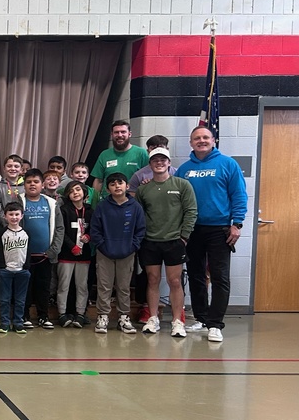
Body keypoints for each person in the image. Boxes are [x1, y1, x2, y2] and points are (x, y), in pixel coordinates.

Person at [176, 126, 247, 342]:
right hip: (192, 230)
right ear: (191, 143)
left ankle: (216, 324)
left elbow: (239, 195)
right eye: (197, 138)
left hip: (220, 230)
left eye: (205, 137)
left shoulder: (227, 164)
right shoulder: (184, 169)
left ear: (213, 140)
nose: (201, 141)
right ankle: (202, 318)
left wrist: (238, 224)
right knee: (196, 275)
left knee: (219, 277)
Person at [135, 147, 197, 338]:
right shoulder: (144, 188)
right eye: (155, 160)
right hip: (150, 242)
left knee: (175, 281)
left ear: (169, 163)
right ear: (150, 164)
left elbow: (191, 211)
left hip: (174, 242)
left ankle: (178, 321)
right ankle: (153, 318)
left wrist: (184, 236)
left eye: (163, 160)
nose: (159, 163)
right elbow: (139, 215)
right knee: (152, 280)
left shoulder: (182, 184)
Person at [90, 172, 146, 334]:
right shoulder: (102, 206)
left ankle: (124, 317)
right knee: (104, 286)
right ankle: (103, 316)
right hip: (105, 252)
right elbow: (95, 229)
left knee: (123, 287)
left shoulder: (135, 207)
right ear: (108, 188)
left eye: (120, 183)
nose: (117, 186)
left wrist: (132, 246)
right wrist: (102, 245)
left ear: (127, 186)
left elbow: (140, 230)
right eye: (113, 184)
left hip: (127, 253)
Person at [20, 169, 63, 329]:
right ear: (24, 185)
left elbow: (59, 228)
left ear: (42, 184)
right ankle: (24, 316)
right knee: (25, 287)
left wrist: (53, 250)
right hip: (24, 255)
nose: (32, 184)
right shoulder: (19, 201)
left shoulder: (51, 203)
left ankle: (43, 316)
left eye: (36, 182)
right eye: (29, 182)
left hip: (46, 255)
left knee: (43, 287)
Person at [55, 181, 93, 329]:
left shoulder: (90, 210)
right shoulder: (64, 210)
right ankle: (62, 313)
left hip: (84, 255)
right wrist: (72, 246)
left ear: (84, 192)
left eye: (78, 189)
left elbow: (95, 228)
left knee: (82, 286)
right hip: (66, 254)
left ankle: (80, 314)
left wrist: (89, 237)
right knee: (63, 285)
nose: (75, 193)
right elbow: (61, 231)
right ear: (67, 195)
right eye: (71, 191)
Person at [91, 119, 150, 194]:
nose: (119, 135)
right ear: (112, 134)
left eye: (123, 132)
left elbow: (148, 177)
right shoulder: (104, 155)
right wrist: (94, 202)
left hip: (132, 201)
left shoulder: (141, 153)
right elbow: (98, 181)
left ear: (129, 134)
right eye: (116, 132)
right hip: (108, 201)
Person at [0, 202, 30, 334]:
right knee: (4, 299)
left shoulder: (26, 233)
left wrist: (26, 267)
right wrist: (2, 266)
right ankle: (5, 322)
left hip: (22, 271)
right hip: (6, 271)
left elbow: (28, 251)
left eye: (17, 214)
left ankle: (18, 322)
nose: (14, 217)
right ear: (5, 216)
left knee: (20, 299)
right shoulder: (2, 233)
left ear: (21, 215)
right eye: (11, 214)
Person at [0, 155, 25, 226]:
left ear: (21, 169)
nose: (12, 169)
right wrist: (9, 221)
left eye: (16, 166)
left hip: (24, 225)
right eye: (9, 166)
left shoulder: (26, 186)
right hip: (5, 226)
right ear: (4, 168)